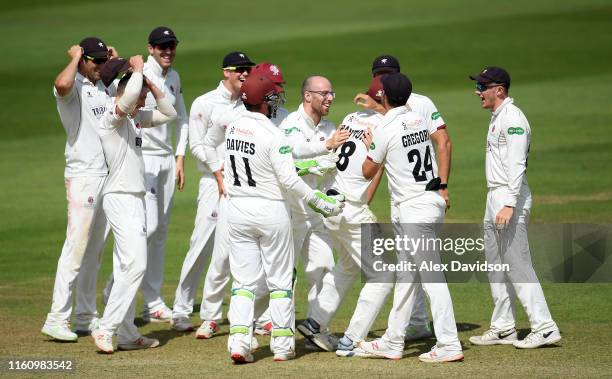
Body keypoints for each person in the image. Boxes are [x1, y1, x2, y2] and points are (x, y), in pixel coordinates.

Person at [204, 74, 345, 363]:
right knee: (280, 281)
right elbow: (290, 181)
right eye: (273, 97)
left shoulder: (233, 128)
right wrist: (320, 201)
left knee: (243, 282)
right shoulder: (274, 134)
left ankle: (239, 343)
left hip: (239, 211)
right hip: (271, 211)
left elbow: (208, 145)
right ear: (265, 101)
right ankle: (282, 346)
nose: (277, 101)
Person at [358, 73, 464, 362]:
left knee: (432, 278)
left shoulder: (383, 129)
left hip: (414, 208)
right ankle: (393, 340)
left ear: (383, 97)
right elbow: (441, 141)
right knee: (406, 275)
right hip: (428, 201)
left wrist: (370, 146)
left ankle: (449, 344)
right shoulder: (418, 118)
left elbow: (367, 172)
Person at [468, 66, 561, 349]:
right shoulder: (498, 117)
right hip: (494, 196)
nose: (477, 92)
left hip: (510, 198)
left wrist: (509, 204)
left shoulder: (513, 119)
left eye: (483, 86)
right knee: (495, 264)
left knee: (517, 264)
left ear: (500, 89)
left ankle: (544, 327)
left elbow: (517, 164)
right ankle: (504, 326)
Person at [102, 27, 189, 323]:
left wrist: (179, 155)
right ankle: (115, 290)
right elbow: (121, 101)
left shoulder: (173, 78)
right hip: (141, 160)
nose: (168, 51)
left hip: (165, 157)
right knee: (148, 229)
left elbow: (180, 116)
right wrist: (135, 71)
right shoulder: (134, 76)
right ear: (150, 49)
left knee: (160, 232)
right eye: (162, 46)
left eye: (172, 46)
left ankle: (152, 299)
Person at [91, 55, 176, 353]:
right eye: (139, 98)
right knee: (137, 265)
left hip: (134, 197)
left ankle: (127, 334)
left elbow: (170, 113)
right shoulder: (110, 119)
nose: (141, 103)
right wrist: (139, 72)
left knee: (126, 264)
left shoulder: (136, 119)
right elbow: (126, 99)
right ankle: (105, 327)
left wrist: (150, 85)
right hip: (120, 197)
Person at [171, 52, 255, 335]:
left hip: (241, 184)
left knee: (231, 249)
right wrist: (218, 172)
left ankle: (222, 312)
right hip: (212, 181)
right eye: (240, 70)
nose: (245, 74)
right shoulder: (205, 103)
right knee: (202, 243)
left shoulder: (249, 104)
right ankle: (181, 310)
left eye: (248, 69)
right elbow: (197, 145)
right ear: (226, 72)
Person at [299, 76, 384, 352]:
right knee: (382, 275)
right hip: (352, 210)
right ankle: (352, 339)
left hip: (332, 205)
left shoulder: (350, 117)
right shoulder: (386, 126)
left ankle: (315, 322)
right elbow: (376, 167)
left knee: (347, 265)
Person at [42, 37, 116, 342]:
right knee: (75, 246)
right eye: (94, 61)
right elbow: (60, 85)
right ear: (83, 61)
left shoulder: (101, 87)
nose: (100, 66)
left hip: (105, 175)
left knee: (94, 251)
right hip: (83, 174)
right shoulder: (73, 89)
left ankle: (86, 316)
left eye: (103, 62)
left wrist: (113, 59)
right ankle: (56, 318)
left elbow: (125, 86)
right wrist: (75, 57)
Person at [280, 76, 350, 350]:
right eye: (324, 93)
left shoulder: (331, 127)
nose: (330, 98)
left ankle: (316, 330)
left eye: (332, 92)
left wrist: (333, 194)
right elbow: (294, 155)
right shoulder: (290, 125)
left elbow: (332, 169)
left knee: (323, 270)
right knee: (285, 275)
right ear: (308, 96)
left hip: (315, 212)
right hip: (289, 211)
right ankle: (275, 328)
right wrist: (325, 148)